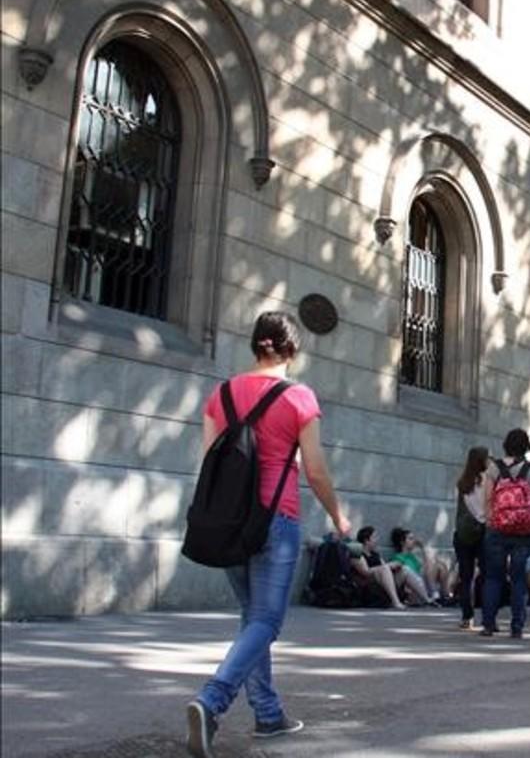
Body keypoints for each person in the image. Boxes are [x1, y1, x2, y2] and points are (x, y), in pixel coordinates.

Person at [187, 311, 351, 758]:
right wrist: (337, 515)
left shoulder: (219, 395)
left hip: (227, 521)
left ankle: (267, 712)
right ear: (291, 351)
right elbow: (315, 469)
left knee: (251, 618)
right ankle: (212, 700)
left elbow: (210, 461)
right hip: (275, 520)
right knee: (266, 621)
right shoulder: (299, 397)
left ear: (255, 346)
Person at [481, 428, 530, 639]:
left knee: (493, 577)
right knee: (518, 579)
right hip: (524, 531)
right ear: (526, 446)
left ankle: (488, 624)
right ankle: (517, 626)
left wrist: (490, 519)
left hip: (497, 528)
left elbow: (488, 499)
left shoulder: (493, 469)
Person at [452, 447, 489, 628]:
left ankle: (467, 617)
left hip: (463, 533)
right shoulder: (486, 481)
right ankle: (487, 615)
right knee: (487, 574)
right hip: (482, 531)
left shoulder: (462, 482)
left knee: (466, 577)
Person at [350, 526, 407, 609]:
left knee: (405, 570)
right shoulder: (358, 554)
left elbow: (384, 567)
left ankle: (427, 599)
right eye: (375, 537)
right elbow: (365, 572)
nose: (377, 540)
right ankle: (396, 601)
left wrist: (393, 565)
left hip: (380, 581)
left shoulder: (375, 554)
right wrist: (386, 567)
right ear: (366, 540)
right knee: (384, 569)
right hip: (367, 584)